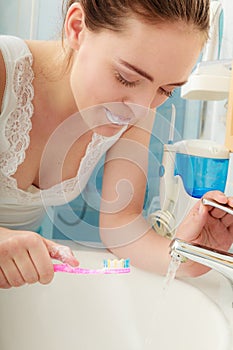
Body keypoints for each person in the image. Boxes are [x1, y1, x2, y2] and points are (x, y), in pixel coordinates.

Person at [0, 0, 233, 289]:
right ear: (77, 28)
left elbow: (121, 225)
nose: (141, 109)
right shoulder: (3, 70)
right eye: (126, 77)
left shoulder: (138, 104)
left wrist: (188, 254)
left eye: (166, 90)